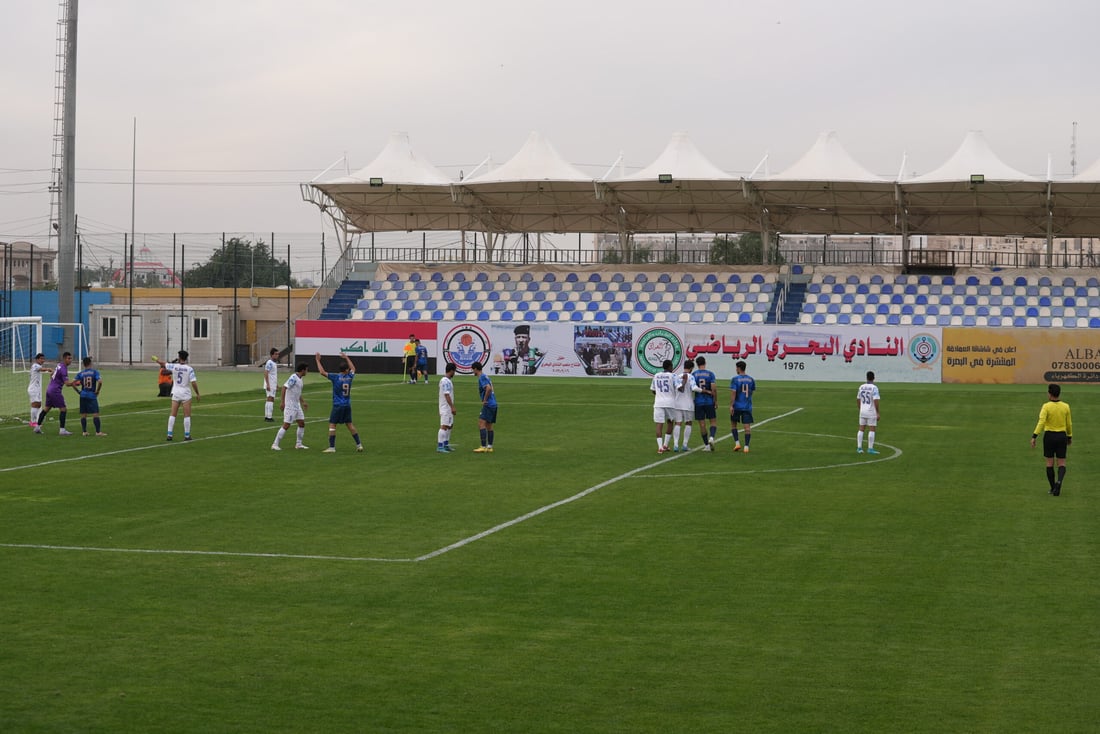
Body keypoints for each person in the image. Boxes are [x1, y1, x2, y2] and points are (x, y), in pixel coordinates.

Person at [315, 351, 363, 453]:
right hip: (347, 405)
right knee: (350, 425)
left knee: (332, 425)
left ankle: (332, 447)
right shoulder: (349, 377)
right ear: (346, 370)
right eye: (348, 369)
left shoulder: (335, 377)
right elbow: (354, 369)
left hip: (337, 405)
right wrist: (346, 357)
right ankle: (359, 445)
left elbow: (322, 372)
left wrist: (317, 360)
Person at [1031, 383, 1072, 496]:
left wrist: (1035, 435)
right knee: (1062, 462)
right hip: (1061, 436)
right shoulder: (1065, 406)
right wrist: (1069, 436)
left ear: (1050, 393)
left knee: (1049, 463)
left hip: (1049, 436)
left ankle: (1053, 487)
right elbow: (1069, 424)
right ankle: (1059, 482)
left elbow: (1041, 422)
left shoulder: (1046, 406)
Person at [155, 350, 200, 441]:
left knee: (173, 414)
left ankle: (169, 434)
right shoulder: (189, 369)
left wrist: (157, 360)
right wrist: (197, 393)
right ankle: (187, 436)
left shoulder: (174, 366)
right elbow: (193, 382)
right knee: (187, 415)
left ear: (179, 358)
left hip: (175, 393)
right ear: (186, 358)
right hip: (185, 394)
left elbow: (163, 364)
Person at [271, 362, 309, 450]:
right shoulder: (293, 378)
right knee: (286, 425)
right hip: (290, 405)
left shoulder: (300, 379)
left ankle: (298, 444)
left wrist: (303, 402)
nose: (307, 372)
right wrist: (282, 402)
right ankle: (275, 444)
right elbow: (284, 387)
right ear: (302, 370)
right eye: (306, 370)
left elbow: (297, 392)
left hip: (297, 405)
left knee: (301, 423)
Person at [38, 351, 75, 436]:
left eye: (71, 358)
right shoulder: (63, 369)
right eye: (69, 358)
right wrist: (75, 382)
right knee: (63, 409)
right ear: (65, 359)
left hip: (49, 389)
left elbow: (52, 375)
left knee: (46, 409)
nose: (70, 360)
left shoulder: (59, 365)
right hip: (55, 391)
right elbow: (67, 384)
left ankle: (37, 427)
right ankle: (62, 430)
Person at [670, 358, 700, 452]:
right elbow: (694, 388)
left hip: (677, 403)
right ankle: (684, 445)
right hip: (688, 404)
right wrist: (704, 391)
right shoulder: (690, 376)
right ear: (691, 368)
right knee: (688, 423)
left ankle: (675, 445)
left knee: (678, 423)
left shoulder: (677, 376)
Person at [73, 356, 106, 437]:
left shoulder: (80, 373)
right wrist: (97, 391)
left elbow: (73, 383)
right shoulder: (95, 372)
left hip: (83, 395)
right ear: (90, 363)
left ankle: (84, 432)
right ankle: (98, 432)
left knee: (83, 414)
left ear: (84, 364)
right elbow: (100, 382)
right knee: (95, 413)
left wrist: (78, 392)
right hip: (91, 395)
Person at [650, 359, 678, 454]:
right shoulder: (673, 376)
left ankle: (660, 447)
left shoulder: (656, 375)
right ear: (670, 367)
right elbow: (679, 387)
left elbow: (653, 390)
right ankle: (665, 445)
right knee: (670, 422)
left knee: (659, 424)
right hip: (670, 402)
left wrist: (659, 394)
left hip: (658, 403)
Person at [693, 356, 719, 451]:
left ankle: (706, 446)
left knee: (702, 424)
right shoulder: (710, 374)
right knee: (713, 421)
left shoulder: (694, 374)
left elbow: (692, 388)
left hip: (698, 402)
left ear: (697, 364)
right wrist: (715, 400)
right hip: (708, 402)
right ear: (705, 363)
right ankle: (711, 437)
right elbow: (714, 389)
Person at [729, 360, 755, 453]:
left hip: (737, 406)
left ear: (739, 368)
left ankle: (737, 443)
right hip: (747, 406)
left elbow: (733, 393)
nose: (736, 369)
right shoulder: (751, 379)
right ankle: (746, 447)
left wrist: (731, 405)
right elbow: (752, 391)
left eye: (736, 368)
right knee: (747, 427)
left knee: (733, 425)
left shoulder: (735, 379)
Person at [471, 360, 497, 453]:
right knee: (489, 425)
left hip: (488, 404)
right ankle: (489, 447)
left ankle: (483, 446)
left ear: (476, 369)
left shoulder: (482, 377)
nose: (473, 372)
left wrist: (485, 400)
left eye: (473, 370)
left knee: (481, 423)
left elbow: (488, 388)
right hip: (493, 403)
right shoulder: (486, 376)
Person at [856, 370, 881, 455]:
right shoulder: (874, 388)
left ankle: (859, 448)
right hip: (871, 411)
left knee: (861, 428)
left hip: (862, 411)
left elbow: (858, 399)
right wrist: (877, 412)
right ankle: (870, 449)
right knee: (872, 429)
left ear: (866, 378)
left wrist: (860, 408)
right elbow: (876, 400)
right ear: (873, 378)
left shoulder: (861, 387)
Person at [437, 362, 457, 452]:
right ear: (451, 371)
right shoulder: (445, 381)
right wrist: (452, 407)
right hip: (446, 407)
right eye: (454, 371)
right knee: (444, 426)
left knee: (450, 425)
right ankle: (440, 446)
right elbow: (446, 395)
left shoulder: (447, 381)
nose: (454, 373)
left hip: (447, 407)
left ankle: (445, 444)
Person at [27, 352, 49, 432]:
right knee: (35, 404)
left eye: (43, 359)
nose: (43, 360)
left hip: (35, 388)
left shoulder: (36, 366)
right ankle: (33, 422)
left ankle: (33, 421)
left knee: (38, 405)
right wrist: (48, 369)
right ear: (37, 359)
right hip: (33, 389)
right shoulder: (35, 365)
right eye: (41, 359)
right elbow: (41, 369)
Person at [263, 347, 279, 421]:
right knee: (270, 398)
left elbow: (273, 375)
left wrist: (276, 384)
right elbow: (266, 373)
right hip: (270, 384)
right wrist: (268, 384)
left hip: (272, 383)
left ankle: (267, 416)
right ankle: (269, 417)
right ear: (271, 355)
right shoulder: (269, 362)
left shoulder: (273, 363)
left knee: (269, 399)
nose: (277, 355)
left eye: (277, 354)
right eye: (275, 354)